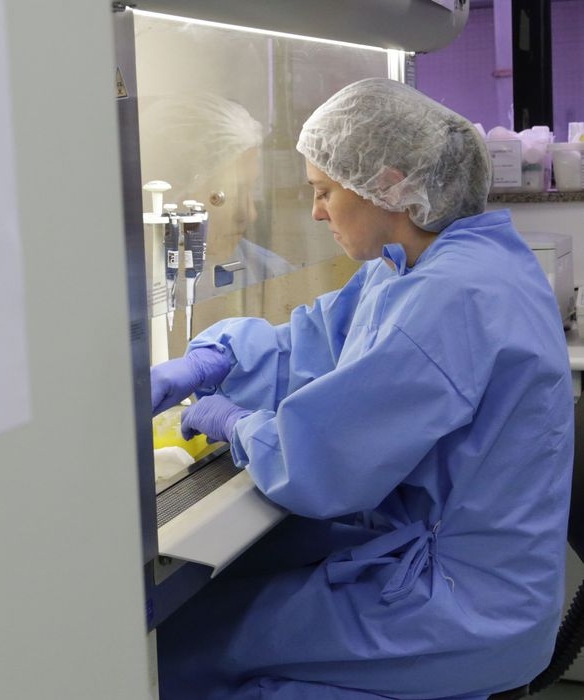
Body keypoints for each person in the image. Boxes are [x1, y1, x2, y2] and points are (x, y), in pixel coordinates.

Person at [150, 77, 574, 699]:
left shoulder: (451, 296)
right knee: (218, 613)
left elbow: (321, 462)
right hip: (452, 575)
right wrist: (215, 359)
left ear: (390, 185)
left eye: (324, 192)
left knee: (184, 650)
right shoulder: (424, 264)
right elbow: (321, 343)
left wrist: (237, 424)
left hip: (458, 608)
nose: (316, 212)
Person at [141, 92, 294, 299]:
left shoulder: (268, 272)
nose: (250, 214)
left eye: (251, 189)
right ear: (172, 196)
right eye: (228, 196)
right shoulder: (120, 291)